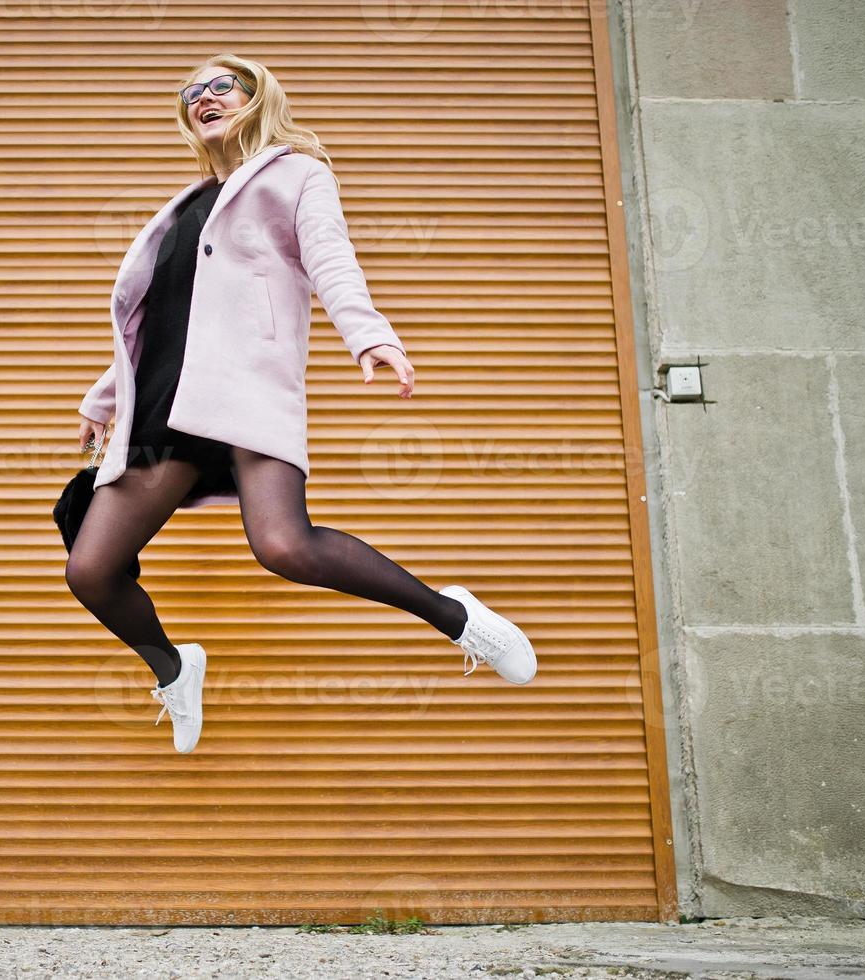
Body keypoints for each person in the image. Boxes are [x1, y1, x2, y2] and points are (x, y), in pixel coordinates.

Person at [66, 54, 536, 754]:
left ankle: (454, 615)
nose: (204, 98)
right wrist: (103, 399)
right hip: (165, 403)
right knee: (92, 570)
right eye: (191, 93)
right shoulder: (183, 208)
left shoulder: (296, 175)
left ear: (257, 96)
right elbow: (153, 320)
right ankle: (173, 667)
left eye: (220, 85)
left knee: (284, 545)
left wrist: (368, 336)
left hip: (246, 392)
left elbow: (331, 258)